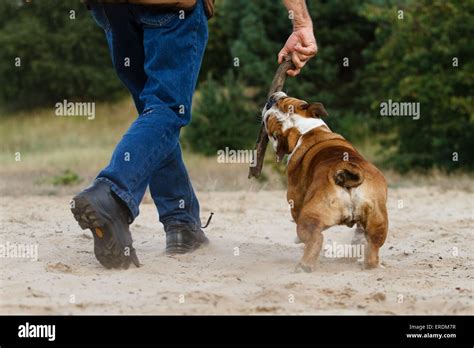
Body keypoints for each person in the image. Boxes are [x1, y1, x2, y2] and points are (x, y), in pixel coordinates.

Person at [71, 0, 317, 269]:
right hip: (168, 7)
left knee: (153, 114)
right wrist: (301, 22)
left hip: (110, 8)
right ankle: (112, 193)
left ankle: (181, 223)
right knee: (166, 108)